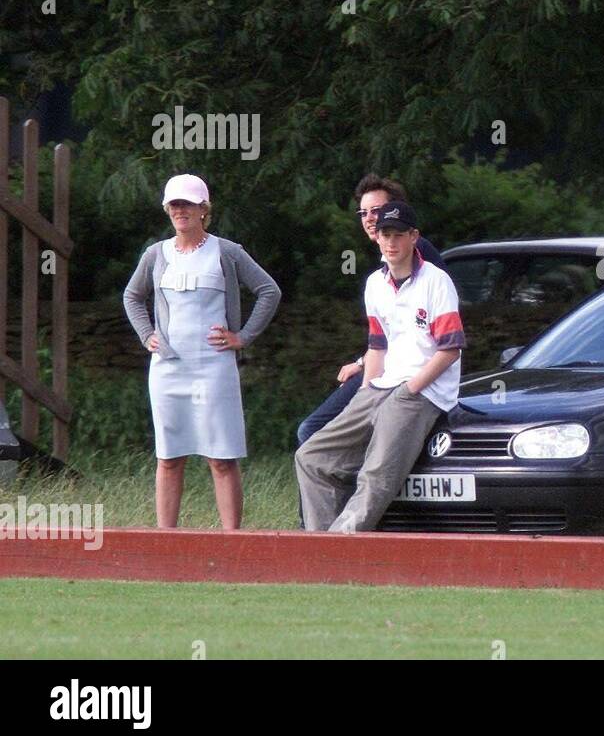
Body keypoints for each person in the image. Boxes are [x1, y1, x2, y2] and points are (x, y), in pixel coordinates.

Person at [294, 200, 464, 532]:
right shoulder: (375, 284)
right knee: (312, 457)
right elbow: (377, 344)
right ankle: (318, 548)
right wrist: (367, 388)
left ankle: (342, 542)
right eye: (385, 234)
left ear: (414, 236)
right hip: (382, 384)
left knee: (376, 470)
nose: (391, 242)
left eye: (399, 234)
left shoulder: (436, 281)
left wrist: (411, 388)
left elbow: (450, 350)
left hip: (423, 390)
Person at [123, 174, 281, 529]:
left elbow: (268, 290)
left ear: (203, 209)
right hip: (167, 369)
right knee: (168, 457)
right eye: (175, 205)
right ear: (167, 210)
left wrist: (242, 336)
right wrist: (147, 334)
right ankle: (167, 541)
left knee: (221, 458)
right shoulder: (155, 254)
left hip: (214, 367)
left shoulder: (227, 251)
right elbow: (132, 296)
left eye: (188, 204)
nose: (181, 211)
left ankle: (232, 541)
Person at [295, 174, 446, 446]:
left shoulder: (415, 253)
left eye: (376, 210)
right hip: (386, 367)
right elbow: (390, 330)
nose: (368, 218)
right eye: (363, 212)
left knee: (313, 430)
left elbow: (423, 329)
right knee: (318, 431)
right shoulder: (384, 268)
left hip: (409, 374)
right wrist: (363, 364)